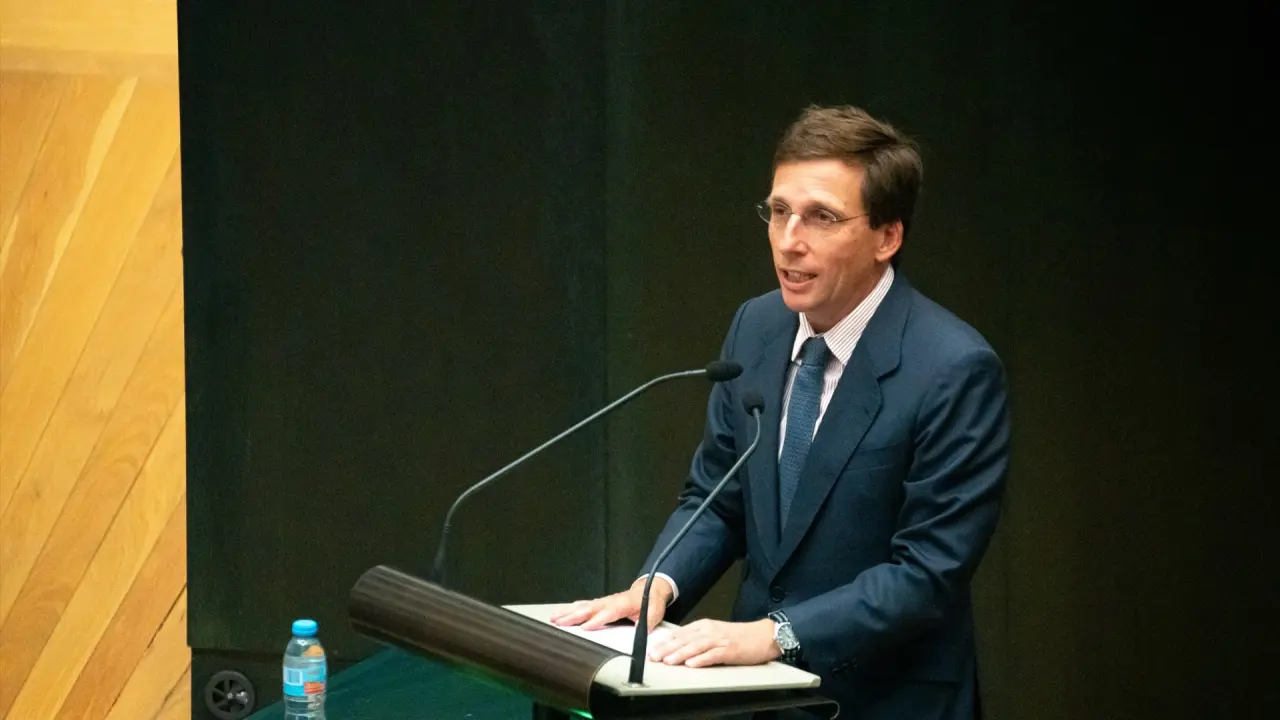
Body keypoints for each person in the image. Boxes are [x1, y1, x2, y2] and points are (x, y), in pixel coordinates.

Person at [551, 105, 1010, 720]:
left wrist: (775, 634)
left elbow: (927, 573)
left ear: (887, 237)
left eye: (822, 217)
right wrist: (657, 586)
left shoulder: (953, 369)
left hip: (883, 701)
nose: (789, 240)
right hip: (757, 700)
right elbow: (718, 497)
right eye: (779, 211)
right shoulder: (756, 326)